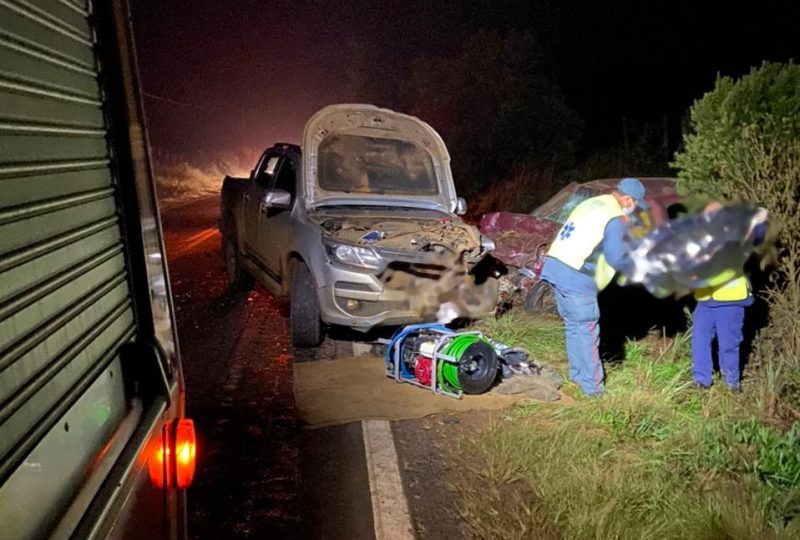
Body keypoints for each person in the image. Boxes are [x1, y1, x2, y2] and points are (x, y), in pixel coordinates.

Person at [540, 178, 646, 396]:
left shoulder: (592, 203)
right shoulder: (615, 216)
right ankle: (593, 389)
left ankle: (577, 376)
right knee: (587, 330)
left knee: (574, 326)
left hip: (556, 266)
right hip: (577, 275)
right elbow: (617, 257)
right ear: (627, 199)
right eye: (635, 203)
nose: (634, 208)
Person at [690, 202, 765, 392]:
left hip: (730, 300)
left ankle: (732, 384)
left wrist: (759, 220)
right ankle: (701, 381)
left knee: (728, 344)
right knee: (699, 339)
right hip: (706, 299)